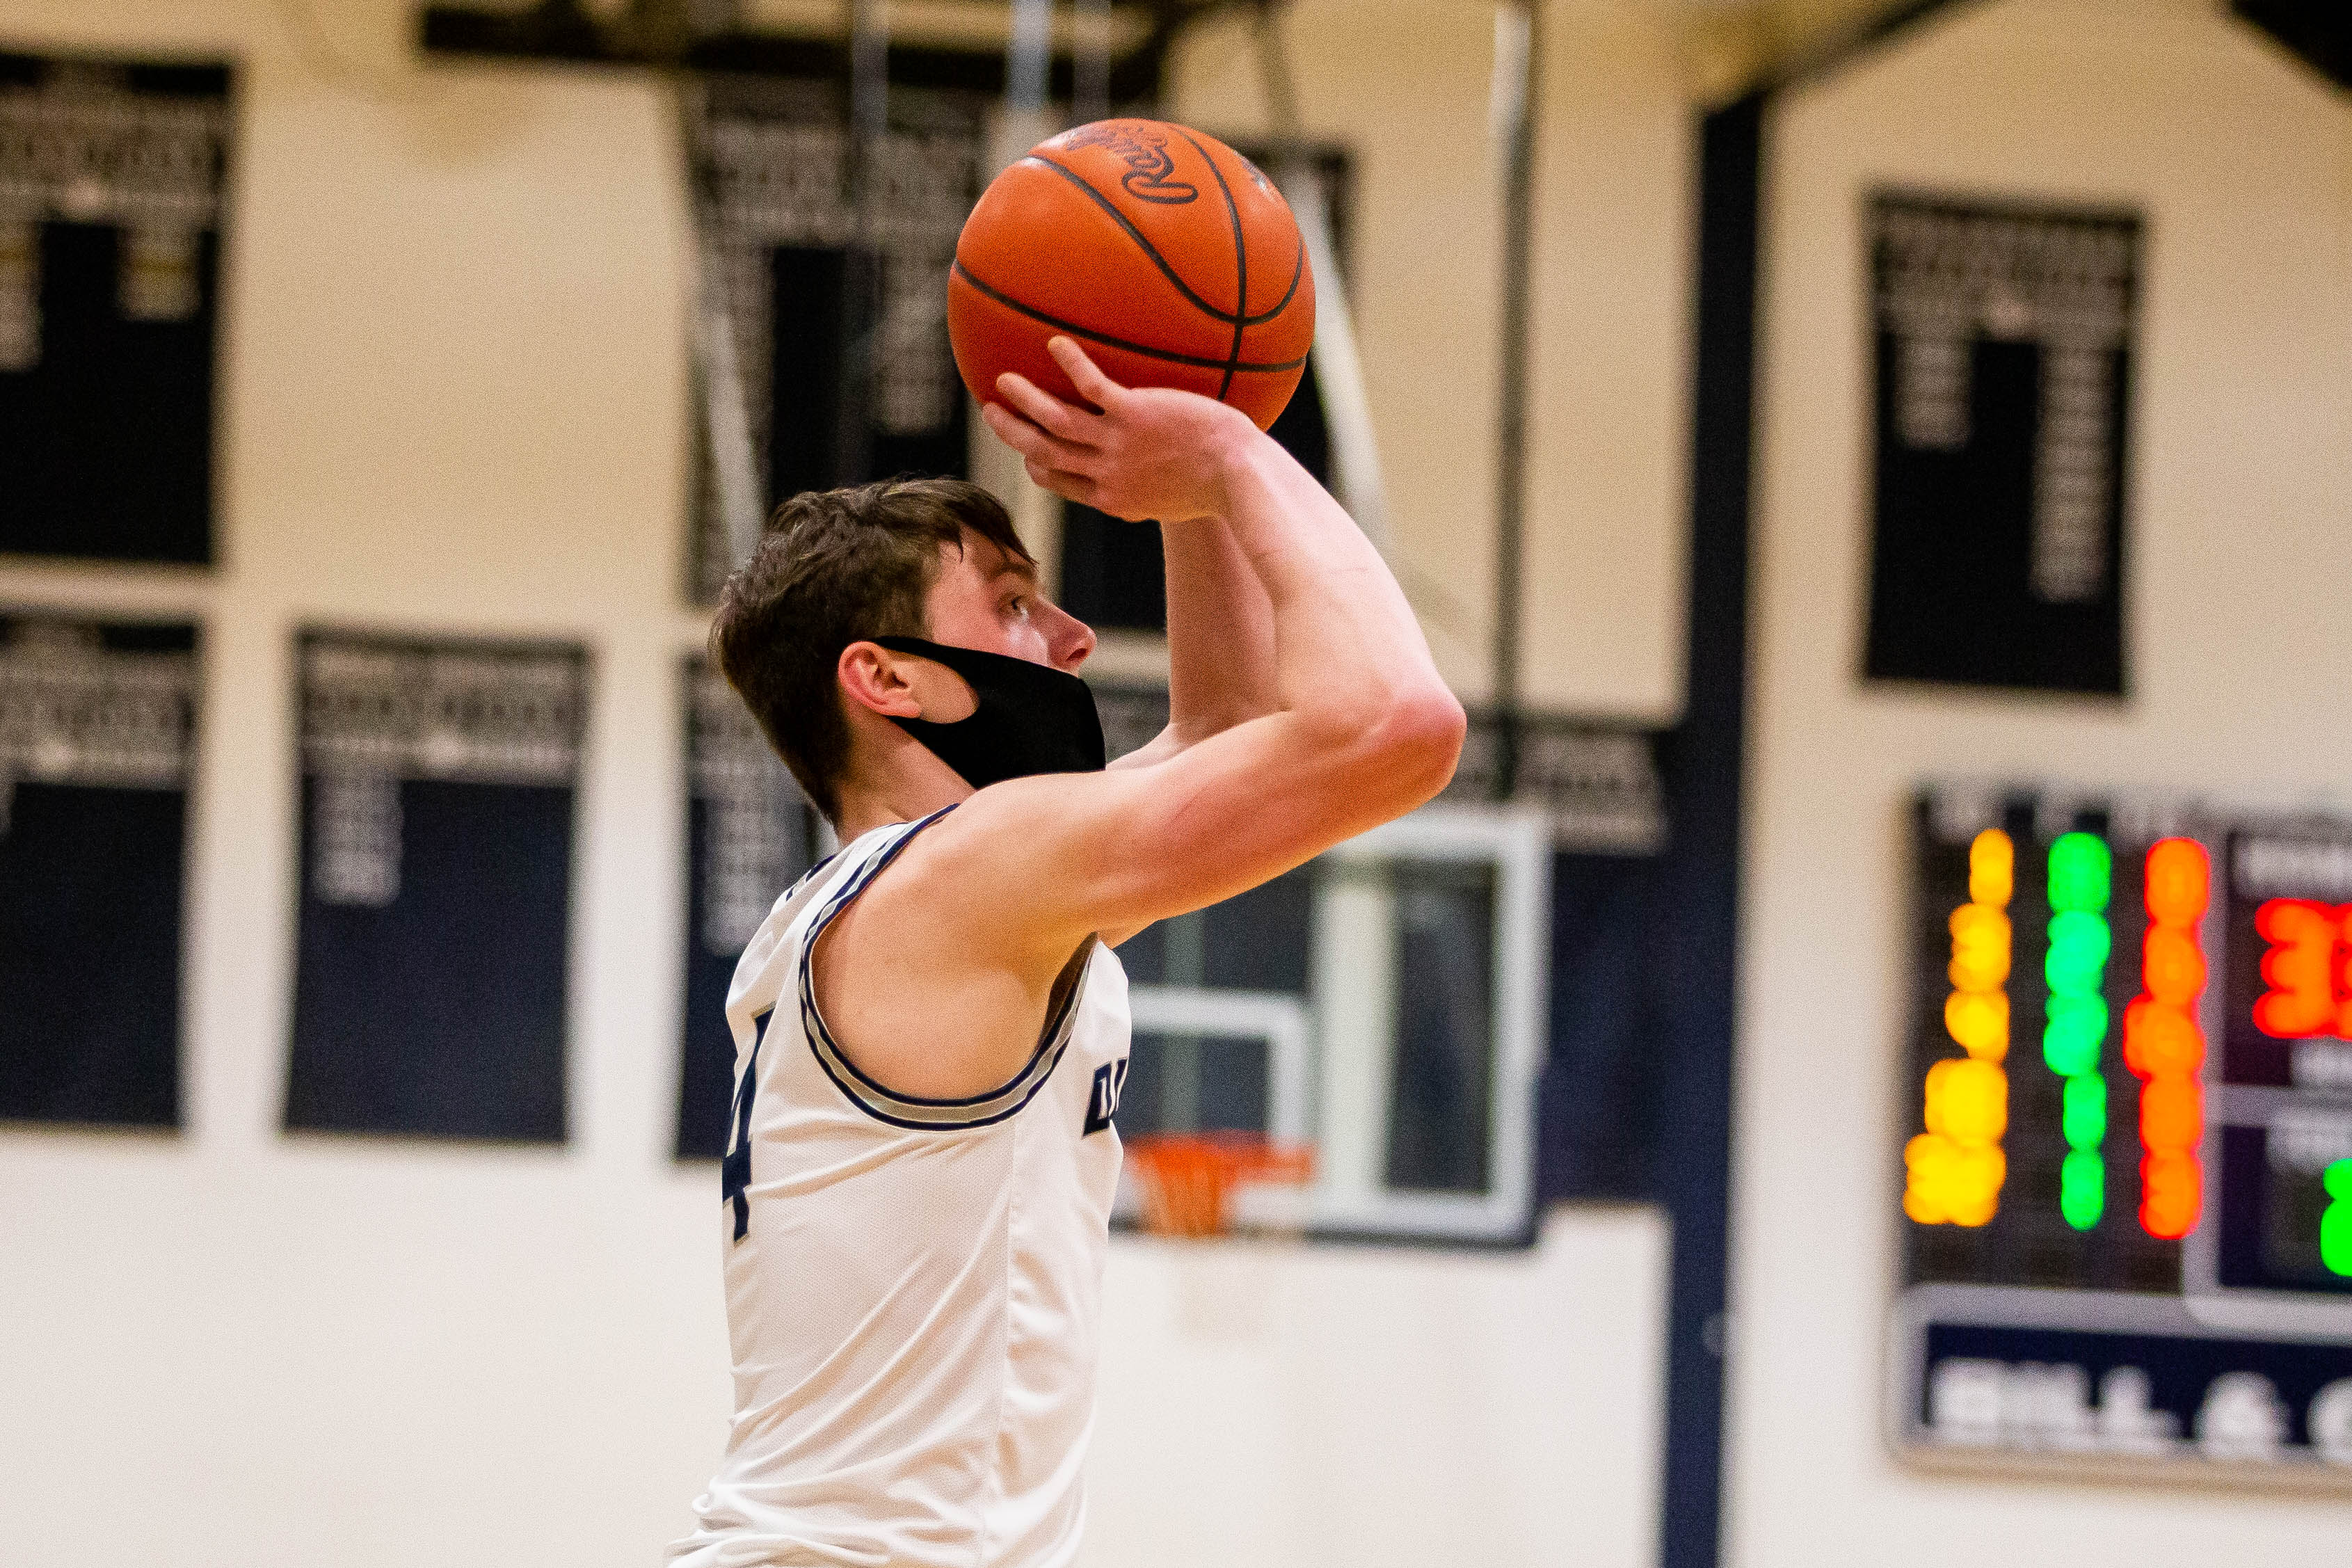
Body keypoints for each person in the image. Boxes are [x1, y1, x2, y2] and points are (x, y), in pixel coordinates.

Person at [669, 336, 1463, 1568]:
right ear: (886, 678)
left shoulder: (919, 894)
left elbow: (1229, 730)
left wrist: (1193, 484)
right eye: (1010, 603)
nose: (1074, 637)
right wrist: (1235, 456)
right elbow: (1393, 723)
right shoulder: (965, 876)